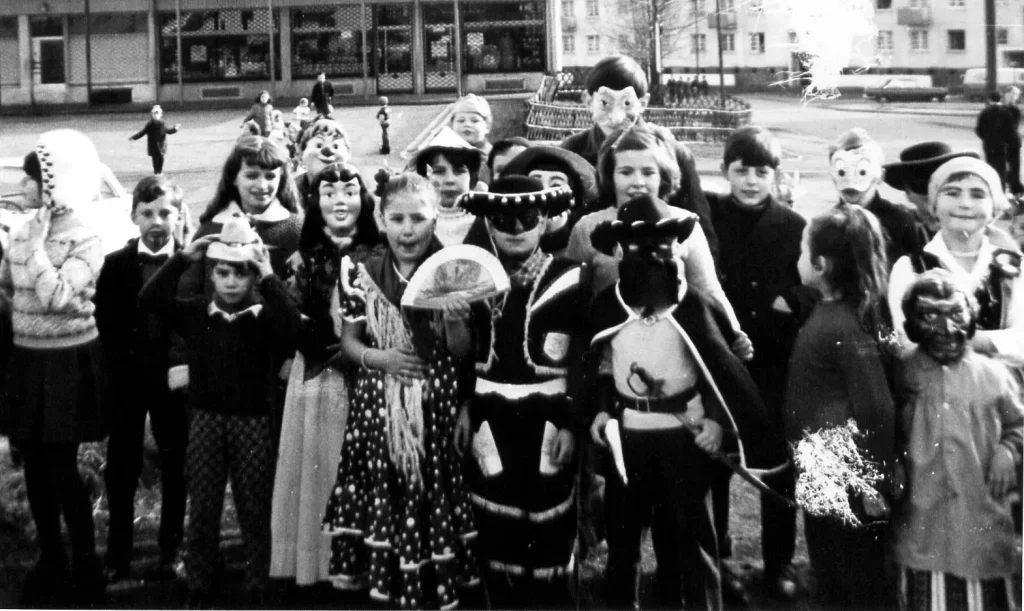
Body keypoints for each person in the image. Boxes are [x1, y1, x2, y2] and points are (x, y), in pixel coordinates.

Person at [584, 194, 788, 610]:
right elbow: (600, 364)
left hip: (684, 440)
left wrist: (716, 421)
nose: (652, 257)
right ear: (621, 250)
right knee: (623, 540)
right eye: (639, 247)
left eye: (663, 245)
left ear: (677, 249)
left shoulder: (697, 306)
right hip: (629, 443)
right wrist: (603, 408)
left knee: (691, 538)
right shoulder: (606, 308)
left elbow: (718, 368)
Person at [322, 172, 479, 609]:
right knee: (384, 480)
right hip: (379, 397)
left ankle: (430, 574)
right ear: (381, 218)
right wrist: (381, 359)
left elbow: (462, 352)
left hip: (436, 394)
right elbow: (350, 342)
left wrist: (452, 321)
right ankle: (386, 575)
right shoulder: (361, 270)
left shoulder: (452, 268)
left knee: (429, 479)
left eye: (419, 218)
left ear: (435, 219)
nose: (408, 230)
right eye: (398, 219)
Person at [139, 219, 303, 609]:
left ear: (252, 277)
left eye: (241, 274)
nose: (231, 282)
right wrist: (182, 259)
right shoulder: (197, 312)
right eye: (222, 272)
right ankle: (199, 580)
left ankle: (259, 579)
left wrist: (268, 276)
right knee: (205, 502)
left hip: (253, 421)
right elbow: (149, 301)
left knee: (254, 504)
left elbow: (295, 329)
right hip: (206, 420)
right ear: (211, 273)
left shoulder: (265, 316)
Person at [454, 176, 585, 607]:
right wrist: (464, 408)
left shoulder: (570, 279)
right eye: (502, 218)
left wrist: (571, 424)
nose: (515, 227)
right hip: (489, 413)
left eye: (527, 217)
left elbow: (580, 362)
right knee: (493, 506)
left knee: (547, 508)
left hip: (547, 413)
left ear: (545, 219)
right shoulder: (471, 281)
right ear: (488, 224)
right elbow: (463, 359)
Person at [0, 130, 109, 607]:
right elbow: (8, 283)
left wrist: (40, 246)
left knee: (61, 468)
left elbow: (60, 296)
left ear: (52, 183)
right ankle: (51, 557)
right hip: (28, 360)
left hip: (67, 361)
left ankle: (85, 562)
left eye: (30, 180)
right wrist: (26, 246)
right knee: (36, 471)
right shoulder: (23, 229)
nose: (22, 188)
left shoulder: (86, 236)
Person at [705, 125, 813, 601]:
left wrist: (791, 298)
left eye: (761, 171)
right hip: (721, 360)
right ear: (725, 171)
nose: (750, 180)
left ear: (776, 175)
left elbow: (817, 279)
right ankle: (719, 558)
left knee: (777, 466)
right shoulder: (708, 217)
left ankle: (779, 562)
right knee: (716, 463)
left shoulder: (794, 225)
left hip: (773, 364)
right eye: (741, 170)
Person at [269, 162, 381, 587]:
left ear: (363, 200)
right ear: (314, 202)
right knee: (320, 462)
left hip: (370, 367)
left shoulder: (380, 252)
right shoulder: (304, 257)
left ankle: (368, 558)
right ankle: (319, 560)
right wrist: (314, 348)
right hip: (319, 368)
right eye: (329, 193)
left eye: (349, 192)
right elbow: (291, 313)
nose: (340, 201)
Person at [785, 205, 897, 607]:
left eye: (801, 252)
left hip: (846, 477)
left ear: (821, 264)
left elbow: (877, 407)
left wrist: (874, 481)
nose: (797, 260)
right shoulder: (829, 315)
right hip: (823, 470)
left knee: (855, 579)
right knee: (831, 572)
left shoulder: (843, 325)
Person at [893, 270, 1023, 611]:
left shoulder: (993, 374)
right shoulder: (902, 373)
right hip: (923, 520)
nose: (946, 329)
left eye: (955, 314)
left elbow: (1019, 423)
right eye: (930, 316)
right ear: (912, 324)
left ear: (970, 318)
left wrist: (1009, 450)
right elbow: (883, 426)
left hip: (980, 516)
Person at [95, 175, 190, 583]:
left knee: (176, 464)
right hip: (128, 379)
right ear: (133, 216)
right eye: (147, 213)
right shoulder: (115, 264)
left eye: (165, 212)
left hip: (172, 379)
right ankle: (119, 553)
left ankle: (171, 550)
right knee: (121, 466)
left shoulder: (189, 262)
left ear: (178, 215)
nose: (157, 221)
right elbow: (105, 322)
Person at [564, 124, 743, 339]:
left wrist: (734, 332)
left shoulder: (684, 223)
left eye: (648, 172)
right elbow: (572, 297)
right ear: (611, 176)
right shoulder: (587, 228)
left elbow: (709, 290)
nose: (638, 182)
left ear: (663, 176)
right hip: (611, 340)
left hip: (673, 339)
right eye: (626, 172)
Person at [560, 55, 719, 262]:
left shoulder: (671, 153)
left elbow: (701, 232)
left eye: (627, 104)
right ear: (588, 101)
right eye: (605, 103)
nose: (616, 117)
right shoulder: (571, 153)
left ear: (643, 103)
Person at [888, 156, 1024, 365]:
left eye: (978, 195)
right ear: (933, 203)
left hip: (1007, 392)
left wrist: (964, 339)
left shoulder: (1014, 266)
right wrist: (996, 341)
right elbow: (906, 343)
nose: (965, 204)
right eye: (952, 193)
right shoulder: (911, 268)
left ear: (994, 207)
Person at [183, 135, 302, 293]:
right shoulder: (211, 229)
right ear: (234, 178)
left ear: (282, 178)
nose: (262, 185)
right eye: (252, 176)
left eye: (270, 176)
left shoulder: (296, 229)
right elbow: (188, 291)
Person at [829, 128, 925, 271]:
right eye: (842, 171)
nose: (851, 180)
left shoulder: (900, 221)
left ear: (881, 176)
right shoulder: (825, 225)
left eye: (862, 171)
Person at [500, 145, 598, 256]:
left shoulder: (585, 247)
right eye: (536, 184)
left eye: (555, 185)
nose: (545, 192)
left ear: (573, 200)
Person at [882, 141, 981, 237]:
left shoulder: (975, 226)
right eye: (922, 184)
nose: (932, 192)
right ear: (908, 192)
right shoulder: (896, 229)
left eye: (943, 183)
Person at [412, 126, 485, 246]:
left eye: (459, 171)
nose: (450, 180)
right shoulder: (416, 225)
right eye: (439, 172)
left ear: (472, 177)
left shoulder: (485, 223)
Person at [294, 118, 352, 209]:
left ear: (348, 153)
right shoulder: (290, 191)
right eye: (319, 145)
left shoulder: (355, 192)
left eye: (335, 146)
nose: (328, 151)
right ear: (300, 153)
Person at [450, 93, 494, 185]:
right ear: (452, 126)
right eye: (461, 121)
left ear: (487, 126)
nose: (467, 125)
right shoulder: (443, 154)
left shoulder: (494, 157)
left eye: (474, 121)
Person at [975, 91, 1013, 190]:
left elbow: (979, 129)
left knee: (990, 166)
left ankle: (991, 188)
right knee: (1001, 167)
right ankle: (1001, 188)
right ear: (1000, 99)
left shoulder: (985, 112)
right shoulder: (1005, 112)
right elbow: (1010, 130)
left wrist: (985, 138)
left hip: (988, 144)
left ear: (990, 99)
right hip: (1001, 144)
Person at [129, 104, 181, 176]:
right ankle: (157, 172)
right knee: (156, 160)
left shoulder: (162, 123)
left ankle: (159, 171)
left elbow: (168, 131)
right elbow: (142, 132)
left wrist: (175, 128)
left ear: (160, 114)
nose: (156, 115)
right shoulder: (150, 124)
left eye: (158, 113)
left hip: (161, 145)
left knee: (161, 159)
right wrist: (134, 137)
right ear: (152, 114)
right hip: (154, 145)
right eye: (155, 113)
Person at [1004, 86, 1024, 196]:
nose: (1013, 97)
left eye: (1015, 95)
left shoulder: (1015, 110)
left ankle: (1014, 186)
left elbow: (1013, 125)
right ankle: (1011, 184)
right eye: (1011, 94)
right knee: (1006, 165)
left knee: (1014, 165)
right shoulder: (1003, 109)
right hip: (1007, 141)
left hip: (1012, 142)